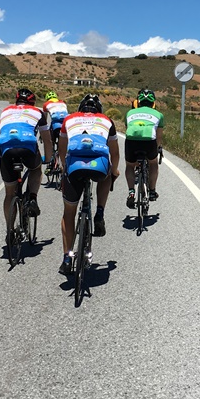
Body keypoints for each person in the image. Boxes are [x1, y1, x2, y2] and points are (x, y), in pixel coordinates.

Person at [57, 93, 120, 274]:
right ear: (99, 110)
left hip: (74, 166)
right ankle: (99, 212)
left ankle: (67, 257)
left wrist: (64, 167)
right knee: (108, 173)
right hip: (98, 166)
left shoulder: (69, 119)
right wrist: (115, 171)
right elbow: (115, 154)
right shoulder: (107, 121)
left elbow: (62, 149)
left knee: (69, 213)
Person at [0, 88, 47, 256]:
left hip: (6, 149)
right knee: (36, 169)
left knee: (9, 193)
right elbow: (46, 138)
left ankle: (10, 230)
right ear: (32, 102)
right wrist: (48, 158)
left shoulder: (5, 111)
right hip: (27, 148)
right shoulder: (37, 112)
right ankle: (32, 198)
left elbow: (0, 134)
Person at [123, 88, 164, 209]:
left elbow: (128, 129)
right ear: (153, 103)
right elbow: (159, 137)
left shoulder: (129, 113)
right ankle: (152, 191)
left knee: (130, 166)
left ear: (138, 102)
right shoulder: (159, 115)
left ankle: (131, 192)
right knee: (153, 163)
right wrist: (157, 148)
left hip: (131, 141)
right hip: (149, 141)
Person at [42, 90, 69, 170]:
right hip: (65, 125)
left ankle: (51, 159)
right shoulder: (63, 103)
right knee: (65, 143)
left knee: (50, 141)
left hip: (55, 126)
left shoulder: (46, 104)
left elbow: (44, 119)